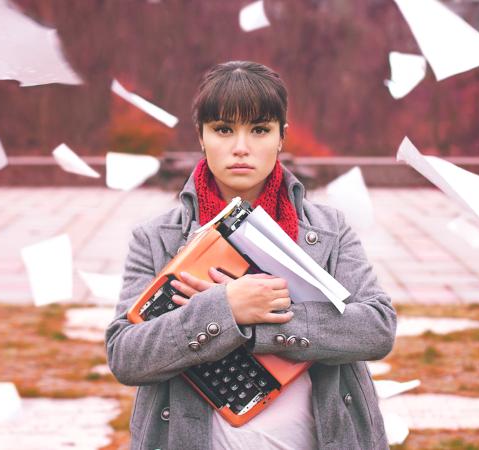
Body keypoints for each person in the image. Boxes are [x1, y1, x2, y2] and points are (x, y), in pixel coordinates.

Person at [106, 60, 397, 449]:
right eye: (223, 129)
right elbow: (126, 355)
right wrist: (223, 309)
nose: (241, 148)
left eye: (259, 129)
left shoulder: (328, 230)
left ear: (281, 137)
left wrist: (262, 321)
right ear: (201, 136)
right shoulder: (156, 238)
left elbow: (376, 329)